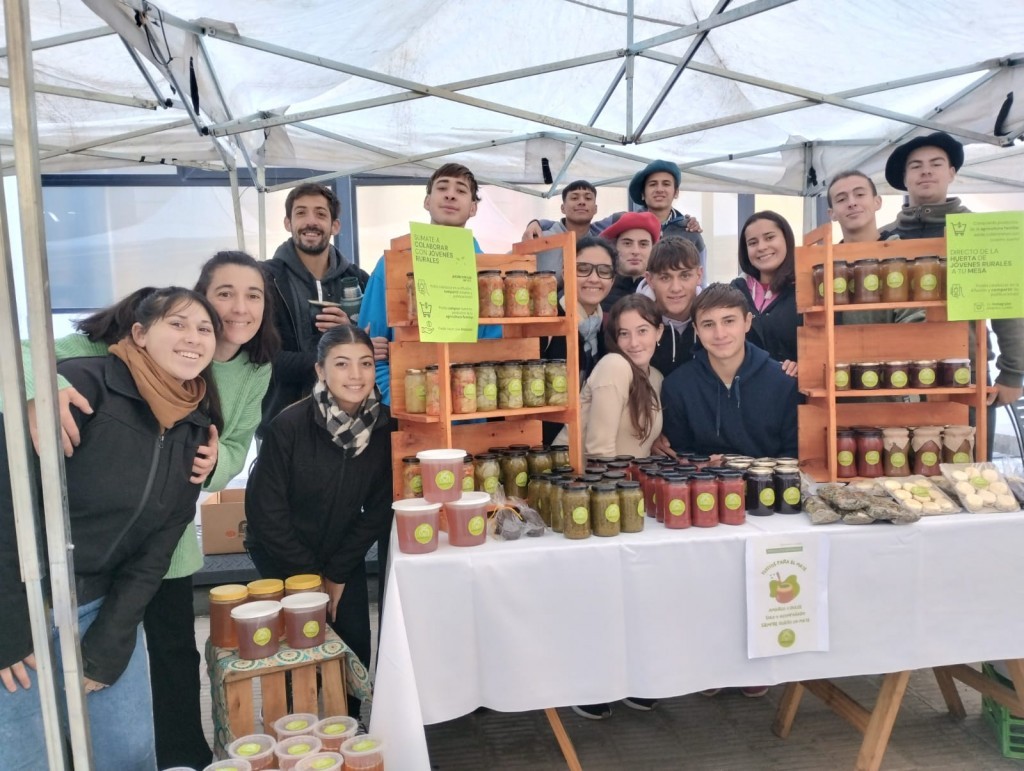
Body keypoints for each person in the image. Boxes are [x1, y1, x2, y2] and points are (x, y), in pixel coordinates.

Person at [13, 252, 279, 768]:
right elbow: (26, 354)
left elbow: (236, 448)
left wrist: (213, 459)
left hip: (166, 536)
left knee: (169, 651)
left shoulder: (254, 370)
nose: (238, 308)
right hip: (83, 539)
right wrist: (43, 390)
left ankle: (179, 752)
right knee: (84, 664)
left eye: (254, 296)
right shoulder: (126, 345)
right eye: (224, 293)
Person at [245, 325, 393, 718]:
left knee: (354, 641)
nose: (356, 375)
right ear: (320, 371)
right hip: (283, 555)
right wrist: (310, 578)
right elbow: (265, 513)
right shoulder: (288, 426)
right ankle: (294, 725)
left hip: (342, 554)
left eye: (365, 363)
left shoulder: (383, 428)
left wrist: (340, 571)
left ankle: (348, 724)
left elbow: (380, 509)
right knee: (297, 648)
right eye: (342, 364)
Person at [566, 294, 664, 720]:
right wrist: (609, 507)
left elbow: (639, 441)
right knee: (597, 595)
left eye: (643, 330)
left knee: (632, 594)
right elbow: (600, 448)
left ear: (659, 332)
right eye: (623, 333)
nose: (633, 341)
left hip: (628, 498)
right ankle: (589, 681)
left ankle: (632, 676)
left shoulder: (654, 376)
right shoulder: (614, 366)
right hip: (597, 495)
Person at [882, 131, 1024, 420]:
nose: (925, 171)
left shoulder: (978, 232)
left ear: (951, 173)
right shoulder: (885, 238)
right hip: (896, 371)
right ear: (905, 179)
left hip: (965, 370)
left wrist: (1013, 373)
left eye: (935, 163)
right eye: (915, 166)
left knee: (969, 463)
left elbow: (1007, 305)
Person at [360, 163, 502, 405]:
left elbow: (497, 347)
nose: (450, 194)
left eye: (461, 190)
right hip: (408, 409)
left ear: (473, 208)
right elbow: (371, 346)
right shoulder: (392, 266)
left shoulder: (489, 275)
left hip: (472, 410)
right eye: (442, 187)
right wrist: (393, 397)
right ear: (427, 201)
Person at [262, 182, 370, 434]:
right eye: (301, 213)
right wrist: (330, 361)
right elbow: (264, 359)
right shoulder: (266, 279)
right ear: (288, 223)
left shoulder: (361, 280)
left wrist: (351, 332)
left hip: (353, 423)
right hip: (282, 423)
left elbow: (375, 348)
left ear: (335, 225)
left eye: (320, 214)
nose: (311, 222)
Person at [661, 283, 799, 459]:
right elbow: (679, 455)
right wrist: (702, 466)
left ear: (747, 322)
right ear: (696, 330)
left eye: (729, 321)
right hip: (704, 484)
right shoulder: (677, 386)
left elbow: (792, 455)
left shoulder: (783, 382)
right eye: (708, 324)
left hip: (769, 484)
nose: (720, 334)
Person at [524, 160, 705, 272]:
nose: (659, 189)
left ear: (676, 192)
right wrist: (538, 222)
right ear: (642, 193)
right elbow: (580, 225)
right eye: (652, 185)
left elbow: (701, 277)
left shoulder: (689, 230)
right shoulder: (623, 221)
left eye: (666, 184)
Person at [732, 211, 799, 375]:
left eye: (770, 238)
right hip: (748, 391)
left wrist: (803, 365)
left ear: (786, 240)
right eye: (753, 242)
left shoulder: (807, 288)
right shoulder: (734, 292)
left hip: (796, 391)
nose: (762, 247)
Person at [541, 235, 615, 380]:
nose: (594, 279)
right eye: (582, 269)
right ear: (565, 273)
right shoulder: (545, 324)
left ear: (613, 280)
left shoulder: (609, 328)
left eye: (604, 271)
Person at [638, 236, 703, 377]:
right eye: (665, 278)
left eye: (685, 276)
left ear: (699, 275)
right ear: (649, 279)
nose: (675, 288)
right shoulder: (633, 323)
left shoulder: (715, 320)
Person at [536, 180, 602, 280]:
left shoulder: (599, 247)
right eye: (574, 198)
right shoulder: (540, 239)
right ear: (563, 208)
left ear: (595, 209)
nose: (582, 202)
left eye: (588, 198)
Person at [598, 211, 661, 311]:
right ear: (615, 247)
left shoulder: (663, 292)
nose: (635, 251)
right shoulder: (598, 290)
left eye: (643, 244)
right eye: (627, 243)